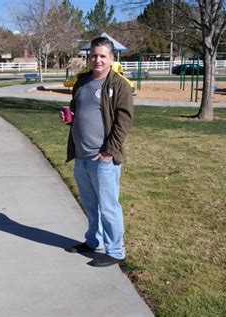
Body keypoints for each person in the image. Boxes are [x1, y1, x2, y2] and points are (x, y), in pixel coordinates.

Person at [62, 37, 134, 267]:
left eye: (103, 56)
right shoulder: (82, 81)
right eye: (94, 55)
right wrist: (70, 117)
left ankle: (116, 250)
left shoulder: (118, 85)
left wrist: (109, 152)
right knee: (91, 205)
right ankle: (94, 240)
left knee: (109, 206)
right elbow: (78, 109)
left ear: (112, 58)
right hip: (82, 156)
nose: (98, 60)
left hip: (104, 159)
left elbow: (124, 122)